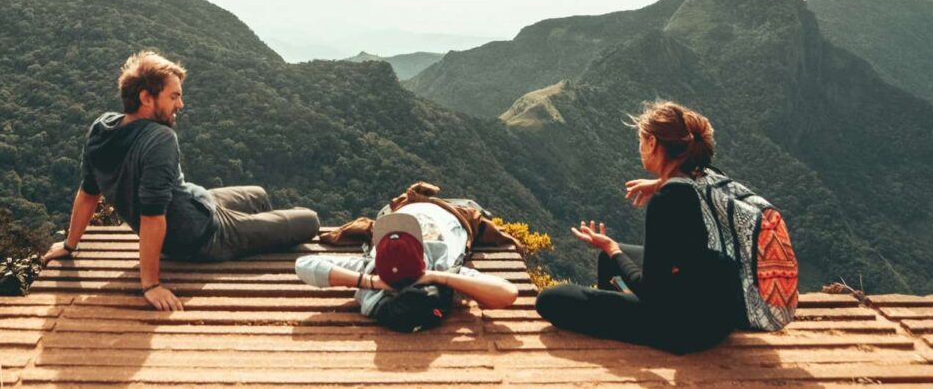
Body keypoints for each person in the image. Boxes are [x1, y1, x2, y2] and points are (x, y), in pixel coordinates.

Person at [41, 51, 320, 311]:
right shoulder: (159, 139)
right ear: (146, 98)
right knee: (309, 220)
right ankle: (255, 236)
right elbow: (152, 215)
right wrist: (150, 285)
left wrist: (70, 245)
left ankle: (261, 232)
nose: (181, 104)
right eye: (174, 97)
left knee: (258, 194)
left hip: (197, 203)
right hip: (203, 235)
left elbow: (88, 192)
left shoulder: (102, 128)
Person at [535, 100, 745, 353]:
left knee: (551, 299)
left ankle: (626, 321)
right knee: (608, 260)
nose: (640, 147)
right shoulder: (708, 176)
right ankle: (622, 312)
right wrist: (660, 182)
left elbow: (652, 293)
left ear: (653, 143)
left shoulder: (666, 202)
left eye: (641, 140)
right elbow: (688, 187)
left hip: (687, 330)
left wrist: (612, 247)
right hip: (720, 314)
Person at [295, 197, 519, 326]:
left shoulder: (371, 269)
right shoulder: (442, 266)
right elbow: (508, 293)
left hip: (397, 209)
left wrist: (371, 281)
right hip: (453, 211)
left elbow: (303, 265)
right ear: (422, 252)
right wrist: (437, 276)